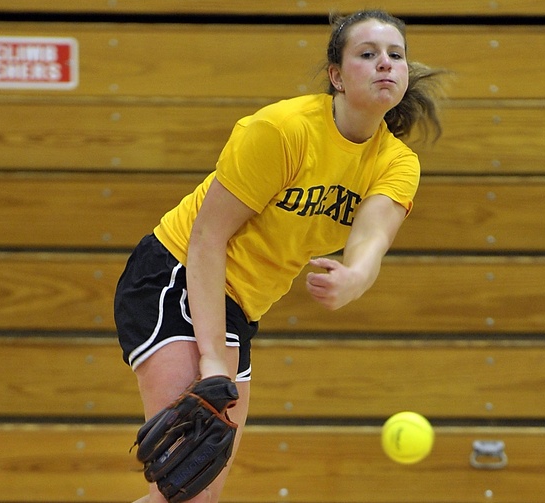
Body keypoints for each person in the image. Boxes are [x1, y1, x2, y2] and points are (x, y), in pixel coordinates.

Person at [114, 9, 447, 503]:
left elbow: (371, 240)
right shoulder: (281, 129)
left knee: (194, 493)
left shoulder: (397, 163)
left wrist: (353, 279)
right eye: (368, 54)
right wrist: (213, 362)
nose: (385, 64)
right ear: (336, 75)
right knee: (187, 492)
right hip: (176, 276)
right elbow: (207, 238)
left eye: (395, 55)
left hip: (239, 309)